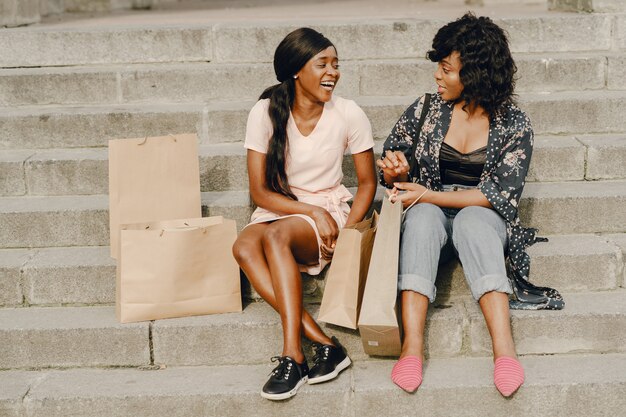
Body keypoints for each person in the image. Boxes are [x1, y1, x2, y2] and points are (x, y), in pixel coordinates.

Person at [377, 13, 561, 397]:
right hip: (429, 213)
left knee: (473, 221)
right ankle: (411, 348)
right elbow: (393, 157)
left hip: (480, 214)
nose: (437, 77)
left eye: (447, 70)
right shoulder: (427, 109)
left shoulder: (514, 124)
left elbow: (497, 194)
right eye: (438, 68)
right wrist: (395, 168)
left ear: (475, 74)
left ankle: (504, 350)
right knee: (425, 218)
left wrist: (427, 194)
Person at [232, 27, 377, 401]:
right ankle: (324, 343)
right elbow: (259, 191)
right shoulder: (264, 112)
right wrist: (307, 208)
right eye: (322, 64)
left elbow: (366, 184)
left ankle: (292, 354)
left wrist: (349, 233)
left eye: (336, 64)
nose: (333, 72)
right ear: (297, 70)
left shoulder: (348, 113)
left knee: (277, 237)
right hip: (283, 206)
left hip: (326, 214)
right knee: (244, 247)